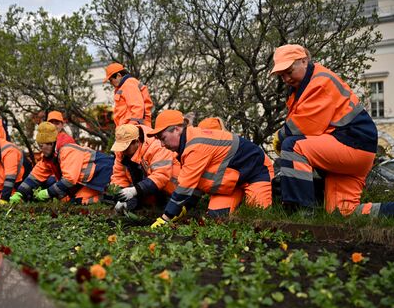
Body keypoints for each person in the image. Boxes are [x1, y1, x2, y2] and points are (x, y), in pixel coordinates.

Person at [271, 44, 394, 217]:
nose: (286, 78)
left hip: (351, 145)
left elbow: (304, 126)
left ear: (304, 61)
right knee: (342, 212)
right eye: (281, 75)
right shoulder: (309, 83)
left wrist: (280, 136)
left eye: (289, 71)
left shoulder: (318, 82)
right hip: (353, 151)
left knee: (293, 146)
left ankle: (301, 216)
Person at [147, 110, 274, 228]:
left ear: (176, 129)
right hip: (230, 184)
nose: (162, 145)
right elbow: (195, 187)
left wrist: (165, 218)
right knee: (216, 220)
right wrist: (182, 209)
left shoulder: (195, 146)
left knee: (257, 218)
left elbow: (184, 188)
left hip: (256, 172)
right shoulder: (185, 148)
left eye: (163, 138)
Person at [10, 122, 114, 205]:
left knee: (79, 201)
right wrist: (20, 193)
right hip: (94, 178)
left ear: (50, 143)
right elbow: (35, 176)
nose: (41, 149)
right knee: (73, 201)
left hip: (104, 172)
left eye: (42, 146)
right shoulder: (50, 156)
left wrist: (48, 192)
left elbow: (69, 179)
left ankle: (108, 198)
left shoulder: (67, 150)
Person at [110, 124, 180, 213]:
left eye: (126, 147)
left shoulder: (157, 147)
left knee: (168, 213)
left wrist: (134, 190)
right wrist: (120, 198)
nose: (123, 151)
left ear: (136, 141)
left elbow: (161, 176)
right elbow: (119, 176)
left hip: (172, 191)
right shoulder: (121, 154)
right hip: (147, 190)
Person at [103, 62, 153, 127]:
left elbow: (137, 107)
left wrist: (132, 126)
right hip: (131, 127)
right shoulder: (126, 85)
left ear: (118, 75)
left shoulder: (128, 84)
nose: (111, 83)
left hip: (135, 128)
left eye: (111, 80)